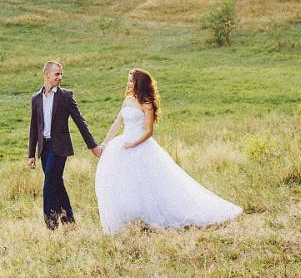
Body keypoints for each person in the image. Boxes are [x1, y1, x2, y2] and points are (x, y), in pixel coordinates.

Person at [95, 68, 242, 234]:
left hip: (140, 145)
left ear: (139, 83)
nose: (128, 83)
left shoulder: (147, 104)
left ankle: (153, 216)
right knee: (126, 182)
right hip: (123, 144)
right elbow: (117, 123)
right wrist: (105, 143)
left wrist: (133, 144)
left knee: (152, 182)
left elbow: (148, 131)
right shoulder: (128, 100)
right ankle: (130, 218)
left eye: (131, 80)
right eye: (128, 80)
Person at [27, 60, 102, 229]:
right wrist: (31, 154)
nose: (60, 77)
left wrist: (93, 146)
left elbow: (80, 122)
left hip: (59, 148)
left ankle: (50, 225)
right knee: (57, 183)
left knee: (49, 184)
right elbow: (34, 128)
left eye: (61, 74)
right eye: (57, 74)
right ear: (47, 75)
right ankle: (70, 223)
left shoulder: (66, 96)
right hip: (44, 149)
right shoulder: (36, 99)